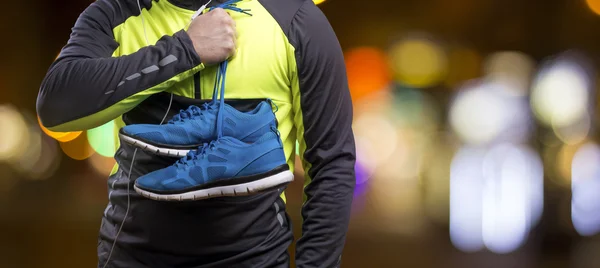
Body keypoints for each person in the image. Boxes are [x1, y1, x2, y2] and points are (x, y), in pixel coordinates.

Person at [37, 0, 356, 267]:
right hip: (130, 258)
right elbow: (55, 107)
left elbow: (332, 164)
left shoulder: (294, 18)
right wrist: (184, 50)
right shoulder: (117, 12)